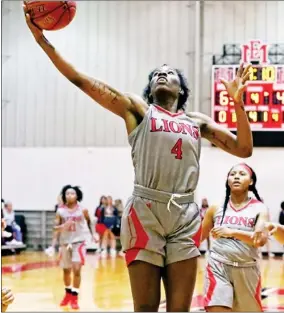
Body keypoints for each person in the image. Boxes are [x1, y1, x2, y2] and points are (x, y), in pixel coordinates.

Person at [23, 7, 253, 311]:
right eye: (157, 73)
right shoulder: (137, 110)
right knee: (145, 307)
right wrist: (43, 41)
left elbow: (243, 149)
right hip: (145, 212)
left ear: (181, 89)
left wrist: (238, 104)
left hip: (185, 215)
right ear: (150, 88)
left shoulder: (196, 121)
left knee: (179, 309)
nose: (162, 73)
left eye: (169, 73)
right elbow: (80, 79)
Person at [201, 163, 268, 312]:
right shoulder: (215, 207)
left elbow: (259, 240)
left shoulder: (259, 208)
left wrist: (231, 232)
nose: (236, 176)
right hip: (218, 266)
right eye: (232, 174)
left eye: (242, 174)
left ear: (251, 181)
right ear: (227, 180)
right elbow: (197, 238)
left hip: (247, 269)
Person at [54, 185, 97, 310]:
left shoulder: (83, 210)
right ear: (64, 196)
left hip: (79, 242)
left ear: (77, 195)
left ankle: (74, 296)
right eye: (67, 193)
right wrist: (63, 226)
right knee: (66, 270)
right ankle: (67, 294)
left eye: (72, 193)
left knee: (77, 269)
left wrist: (93, 234)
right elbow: (54, 228)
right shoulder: (60, 211)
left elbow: (90, 222)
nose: (69, 195)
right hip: (65, 243)